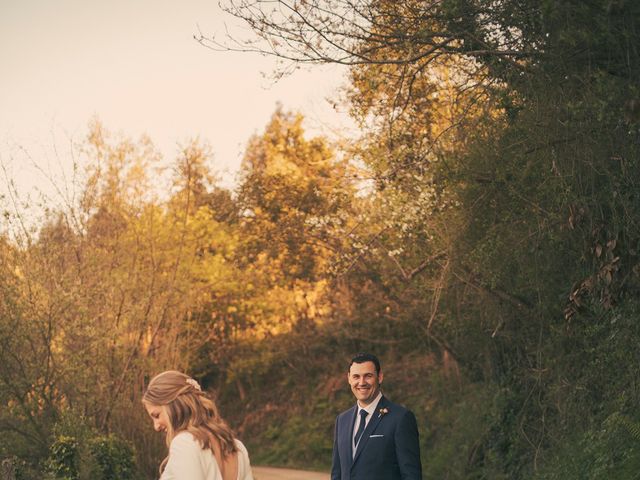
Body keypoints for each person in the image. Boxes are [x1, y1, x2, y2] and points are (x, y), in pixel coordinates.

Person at [143, 370, 254, 480]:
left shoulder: (184, 443)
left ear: (173, 405)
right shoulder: (238, 447)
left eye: (156, 415)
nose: (156, 426)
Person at [331, 353, 422, 480]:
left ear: (379, 377)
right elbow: (337, 474)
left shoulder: (401, 418)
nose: (361, 382)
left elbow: (411, 475)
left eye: (368, 376)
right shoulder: (342, 420)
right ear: (349, 379)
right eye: (356, 376)